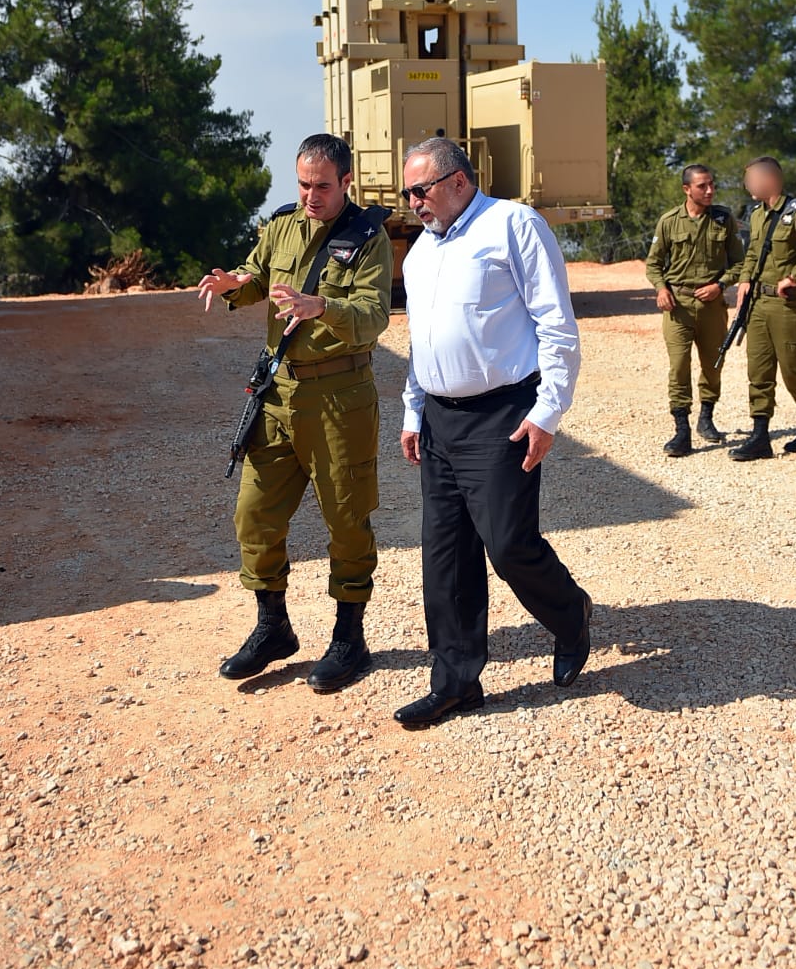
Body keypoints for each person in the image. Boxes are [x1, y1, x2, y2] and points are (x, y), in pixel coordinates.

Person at [395, 137, 591, 729]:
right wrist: (413, 409)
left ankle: (570, 615)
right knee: (445, 554)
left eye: (420, 190)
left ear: (458, 181)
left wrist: (547, 412)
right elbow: (420, 340)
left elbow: (556, 325)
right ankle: (456, 681)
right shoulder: (419, 253)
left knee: (508, 545)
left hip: (502, 414)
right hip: (439, 417)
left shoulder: (513, 225)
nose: (412, 204)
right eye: (408, 193)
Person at [197, 133, 392, 691]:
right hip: (278, 398)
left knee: (347, 521)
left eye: (323, 186)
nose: (311, 196)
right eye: (303, 184)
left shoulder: (367, 236)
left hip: (339, 401)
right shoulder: (281, 224)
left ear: (346, 183)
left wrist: (321, 307)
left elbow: (374, 313)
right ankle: (273, 626)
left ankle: (349, 638)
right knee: (253, 514)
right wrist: (237, 283)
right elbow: (259, 274)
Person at [730, 156, 796, 462]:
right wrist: (744, 282)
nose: (747, 185)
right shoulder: (756, 215)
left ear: (770, 180)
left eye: (751, 179)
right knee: (759, 370)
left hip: (789, 306)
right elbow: (753, 252)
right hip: (759, 304)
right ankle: (760, 435)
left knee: (794, 369)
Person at [645, 164, 745, 456]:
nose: (710, 190)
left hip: (712, 305)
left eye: (712, 185)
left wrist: (721, 284)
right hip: (678, 305)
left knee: (713, 364)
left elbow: (739, 263)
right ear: (687, 189)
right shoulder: (669, 221)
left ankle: (706, 417)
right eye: (703, 186)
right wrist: (661, 288)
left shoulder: (723, 219)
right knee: (678, 366)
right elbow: (653, 264)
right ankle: (681, 429)